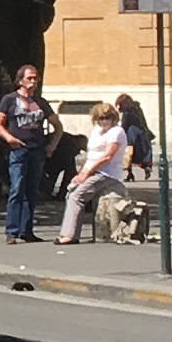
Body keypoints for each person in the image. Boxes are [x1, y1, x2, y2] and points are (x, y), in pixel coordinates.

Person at [54, 101, 131, 246]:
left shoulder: (116, 132)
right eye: (101, 118)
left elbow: (107, 156)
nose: (104, 121)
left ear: (114, 117)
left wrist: (87, 173)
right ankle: (69, 231)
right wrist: (82, 173)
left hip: (106, 172)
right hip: (92, 169)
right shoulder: (97, 130)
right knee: (71, 191)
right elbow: (91, 156)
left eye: (108, 117)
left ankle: (70, 235)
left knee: (77, 196)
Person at [0, 62, 52, 244]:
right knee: (17, 188)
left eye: (35, 78)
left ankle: (27, 230)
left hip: (37, 150)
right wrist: (9, 138)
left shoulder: (40, 102)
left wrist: (52, 145)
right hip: (19, 150)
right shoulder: (9, 100)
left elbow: (57, 126)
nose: (33, 81)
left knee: (32, 190)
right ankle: (11, 231)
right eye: (29, 78)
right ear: (20, 81)